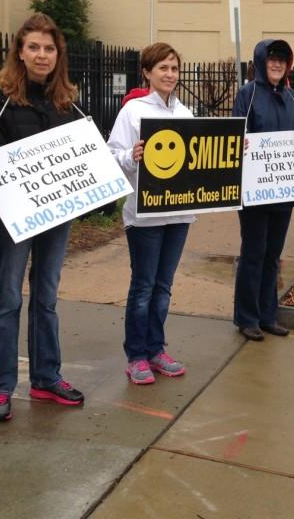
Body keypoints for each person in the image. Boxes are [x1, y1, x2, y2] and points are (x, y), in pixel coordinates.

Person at [0, 13, 84, 422]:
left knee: (47, 297)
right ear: (20, 51)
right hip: (13, 214)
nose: (42, 55)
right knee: (7, 298)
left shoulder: (67, 99)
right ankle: (0, 387)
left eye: (49, 48)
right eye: (34, 47)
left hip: (57, 212)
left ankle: (45, 377)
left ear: (59, 55)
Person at [108, 42, 195, 385]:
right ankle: (137, 355)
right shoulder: (133, 112)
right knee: (143, 287)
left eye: (174, 68)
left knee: (164, 286)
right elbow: (113, 157)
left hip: (179, 214)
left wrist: (233, 151)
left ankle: (157, 349)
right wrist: (132, 155)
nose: (170, 74)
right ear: (147, 72)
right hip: (144, 217)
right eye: (163, 68)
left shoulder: (185, 114)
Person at [232, 39, 294, 341]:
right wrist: (241, 142)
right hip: (254, 190)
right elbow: (233, 138)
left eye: (282, 60)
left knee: (273, 254)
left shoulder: (291, 98)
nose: (276, 64)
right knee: (253, 253)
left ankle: (267, 314)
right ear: (261, 62)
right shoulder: (247, 95)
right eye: (271, 59)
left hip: (283, 192)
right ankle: (247, 317)